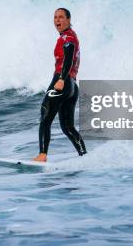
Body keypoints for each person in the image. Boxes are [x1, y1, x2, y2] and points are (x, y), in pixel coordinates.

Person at [33, 8, 87, 162]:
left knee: (45, 116)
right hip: (72, 86)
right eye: (55, 17)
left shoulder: (67, 38)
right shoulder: (71, 36)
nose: (57, 20)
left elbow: (69, 58)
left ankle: (42, 155)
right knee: (68, 127)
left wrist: (61, 79)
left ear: (69, 20)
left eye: (61, 17)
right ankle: (84, 156)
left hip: (63, 81)